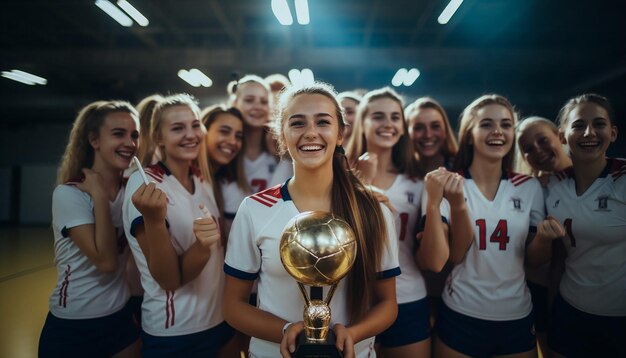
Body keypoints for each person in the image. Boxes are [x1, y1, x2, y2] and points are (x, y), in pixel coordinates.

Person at [223, 82, 400, 358]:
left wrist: (353, 333)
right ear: (282, 134)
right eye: (297, 123)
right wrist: (285, 330)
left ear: (340, 133)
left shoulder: (373, 210)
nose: (311, 133)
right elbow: (233, 306)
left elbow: (388, 304)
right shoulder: (255, 209)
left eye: (323, 122)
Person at [423, 94, 563, 358]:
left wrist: (544, 239)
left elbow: (533, 260)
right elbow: (451, 256)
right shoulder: (447, 183)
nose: (498, 131)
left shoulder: (529, 187)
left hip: (516, 314)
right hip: (460, 311)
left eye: (506, 124)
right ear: (469, 133)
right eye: (487, 124)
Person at [122, 94, 233, 357]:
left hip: (219, 321)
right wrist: (202, 247)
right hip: (176, 331)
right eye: (177, 128)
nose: (190, 134)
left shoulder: (202, 179)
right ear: (158, 137)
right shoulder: (144, 184)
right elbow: (169, 279)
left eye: (195, 125)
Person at [39, 101, 141, 357]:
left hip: (120, 317)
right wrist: (98, 194)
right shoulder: (69, 194)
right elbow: (106, 262)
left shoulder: (132, 188)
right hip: (73, 323)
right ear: (94, 140)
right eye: (118, 134)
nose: (130, 142)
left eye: (134, 135)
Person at [346, 87, 441, 357]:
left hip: (408, 298)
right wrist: (362, 182)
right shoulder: (340, 176)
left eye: (395, 117)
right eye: (378, 116)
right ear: (362, 123)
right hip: (355, 301)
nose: (388, 123)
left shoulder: (420, 179)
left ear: (403, 127)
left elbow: (431, 257)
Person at [545, 94, 625, 358]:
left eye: (599, 124)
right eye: (578, 125)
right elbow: (558, 256)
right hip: (570, 311)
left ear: (612, 133)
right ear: (562, 136)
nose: (589, 132)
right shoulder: (553, 185)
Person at [515, 115, 573, 356]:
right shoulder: (532, 188)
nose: (537, 151)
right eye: (528, 149)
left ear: (559, 136)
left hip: (590, 288)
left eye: (542, 140)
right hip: (540, 287)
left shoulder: (604, 177)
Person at [405, 96, 458, 328]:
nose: (428, 134)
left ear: (446, 130)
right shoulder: (400, 173)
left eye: (435, 126)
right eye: (418, 127)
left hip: (456, 290)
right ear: (406, 133)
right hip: (411, 290)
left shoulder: (463, 170)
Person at [200, 104, 248, 239]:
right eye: (224, 131)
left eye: (238, 136)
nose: (233, 141)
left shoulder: (227, 183)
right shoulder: (187, 180)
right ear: (203, 132)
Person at [229, 74, 277, 193]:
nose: (258, 107)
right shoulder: (224, 149)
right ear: (235, 103)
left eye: (264, 101)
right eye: (249, 100)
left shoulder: (280, 149)